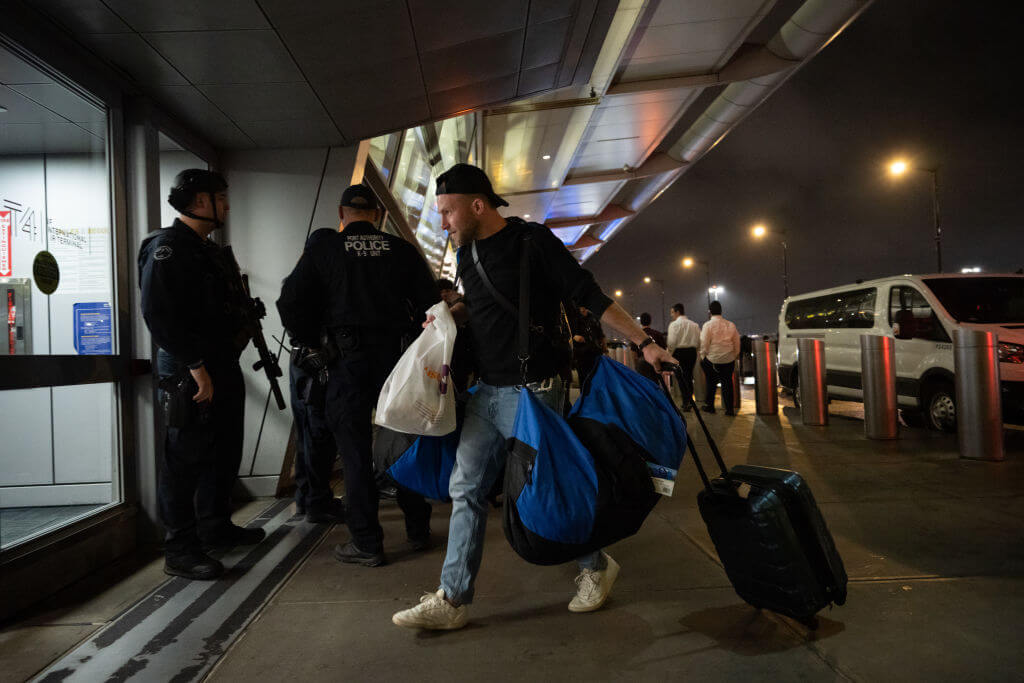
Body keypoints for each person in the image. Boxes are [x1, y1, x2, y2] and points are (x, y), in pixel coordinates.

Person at [391, 163, 676, 631]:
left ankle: (596, 567)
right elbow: (477, 305)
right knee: (466, 489)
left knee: (548, 491)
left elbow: (589, 295)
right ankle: (453, 598)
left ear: (477, 205)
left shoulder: (533, 243)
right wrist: (449, 313)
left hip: (536, 389)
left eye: (447, 212)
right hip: (486, 391)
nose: (443, 223)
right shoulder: (466, 254)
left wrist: (644, 342)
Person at [277, 184, 439, 567]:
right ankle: (417, 530)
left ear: (341, 213)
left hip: (345, 363)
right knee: (402, 445)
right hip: (397, 363)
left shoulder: (325, 250)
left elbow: (289, 302)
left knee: (353, 453)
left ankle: (367, 543)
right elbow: (431, 304)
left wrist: (310, 342)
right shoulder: (401, 251)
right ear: (379, 215)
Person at [139, 169, 265, 580]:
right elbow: (159, 315)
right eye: (219, 197)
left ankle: (215, 526)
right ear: (197, 202)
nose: (226, 204)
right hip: (189, 368)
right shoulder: (168, 249)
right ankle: (180, 548)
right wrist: (196, 369)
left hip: (218, 362)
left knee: (225, 448)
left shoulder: (206, 249)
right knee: (185, 457)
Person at [288, 338, 345, 523]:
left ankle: (308, 497)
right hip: (316, 358)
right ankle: (317, 502)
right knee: (317, 433)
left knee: (307, 432)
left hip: (305, 356)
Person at [699, 300, 741, 415]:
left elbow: (704, 344)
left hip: (713, 359)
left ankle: (710, 405)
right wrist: (735, 355)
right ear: (721, 311)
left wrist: (703, 356)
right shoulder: (730, 324)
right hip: (728, 359)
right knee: (727, 383)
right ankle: (729, 409)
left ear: (710, 312)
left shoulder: (708, 325)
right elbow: (737, 342)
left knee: (710, 382)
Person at [666, 303, 700, 409]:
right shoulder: (694, 325)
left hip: (679, 352)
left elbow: (671, 342)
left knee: (681, 378)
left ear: (677, 312)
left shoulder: (674, 325)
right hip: (692, 352)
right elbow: (699, 341)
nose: (671, 315)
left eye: (672, 312)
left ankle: (686, 402)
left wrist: (670, 355)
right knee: (689, 377)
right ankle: (690, 401)